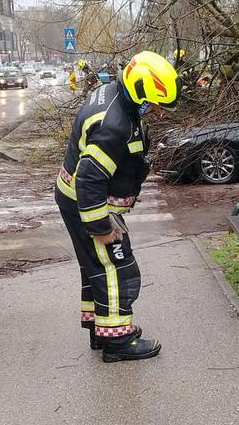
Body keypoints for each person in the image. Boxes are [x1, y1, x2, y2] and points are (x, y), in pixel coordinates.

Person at [55, 50, 178, 363]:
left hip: (79, 201)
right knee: (116, 268)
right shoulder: (115, 127)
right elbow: (89, 181)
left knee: (95, 267)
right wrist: (101, 227)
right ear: (138, 91)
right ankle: (118, 342)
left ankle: (103, 329)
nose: (157, 110)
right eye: (154, 102)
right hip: (89, 206)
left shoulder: (113, 93)